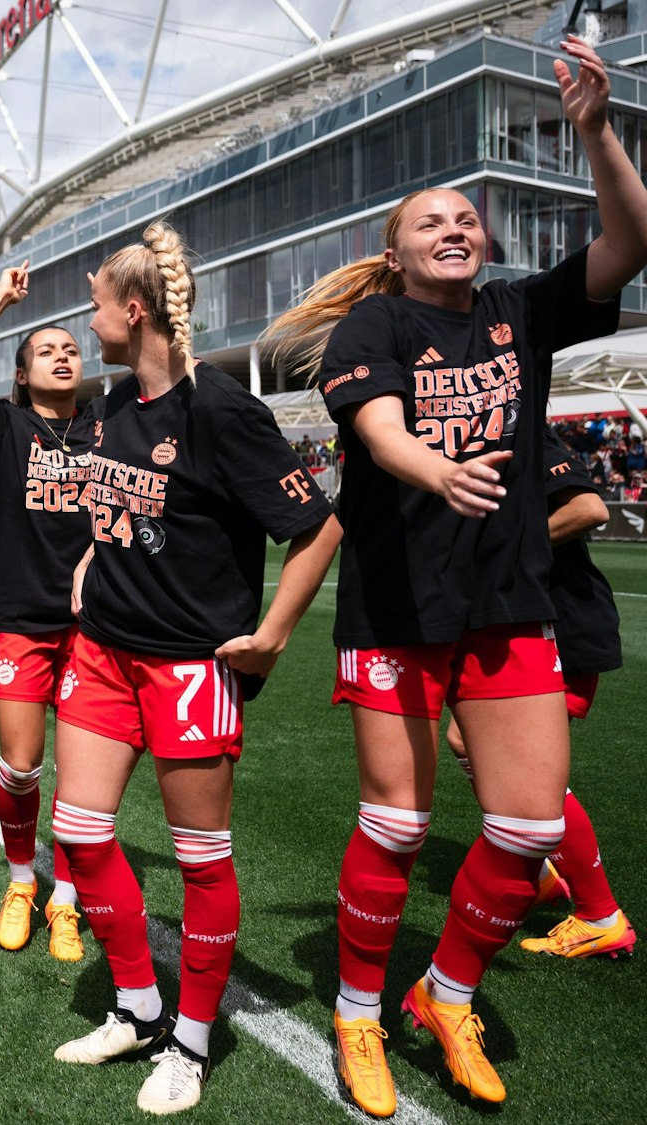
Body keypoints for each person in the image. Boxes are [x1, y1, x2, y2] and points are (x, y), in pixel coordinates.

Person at [264, 36, 647, 1114]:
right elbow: (380, 433)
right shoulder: (371, 323)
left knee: (526, 827)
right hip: (394, 612)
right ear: (396, 252)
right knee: (393, 822)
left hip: (508, 604)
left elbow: (632, 237)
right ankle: (353, 1016)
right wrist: (435, 467)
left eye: (464, 219)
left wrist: (592, 131)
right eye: (428, 220)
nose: (454, 228)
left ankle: (442, 993)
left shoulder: (520, 313)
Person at [48, 222, 339, 1115]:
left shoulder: (223, 412)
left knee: (200, 861)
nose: (87, 318)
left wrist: (274, 633)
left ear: (133, 312)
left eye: (95, 303)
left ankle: (191, 1041)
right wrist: (97, 556)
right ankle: (138, 1007)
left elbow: (319, 526)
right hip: (100, 654)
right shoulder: (106, 409)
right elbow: (124, 507)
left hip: (187, 666)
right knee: (82, 832)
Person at [0, 262, 100, 963]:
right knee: (22, 764)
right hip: (22, 617)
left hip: (97, 622)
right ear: (23, 374)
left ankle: (65, 897)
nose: (63, 356)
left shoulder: (109, 423)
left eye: (71, 348)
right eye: (47, 350)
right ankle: (20, 881)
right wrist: (3, 298)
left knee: (81, 772)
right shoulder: (4, 426)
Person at [441, 430, 631, 959]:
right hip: (532, 620)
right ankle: (543, 870)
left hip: (564, 626)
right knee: (466, 742)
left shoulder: (516, 429)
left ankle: (600, 914)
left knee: (527, 776)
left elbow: (590, 509)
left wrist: (504, 555)